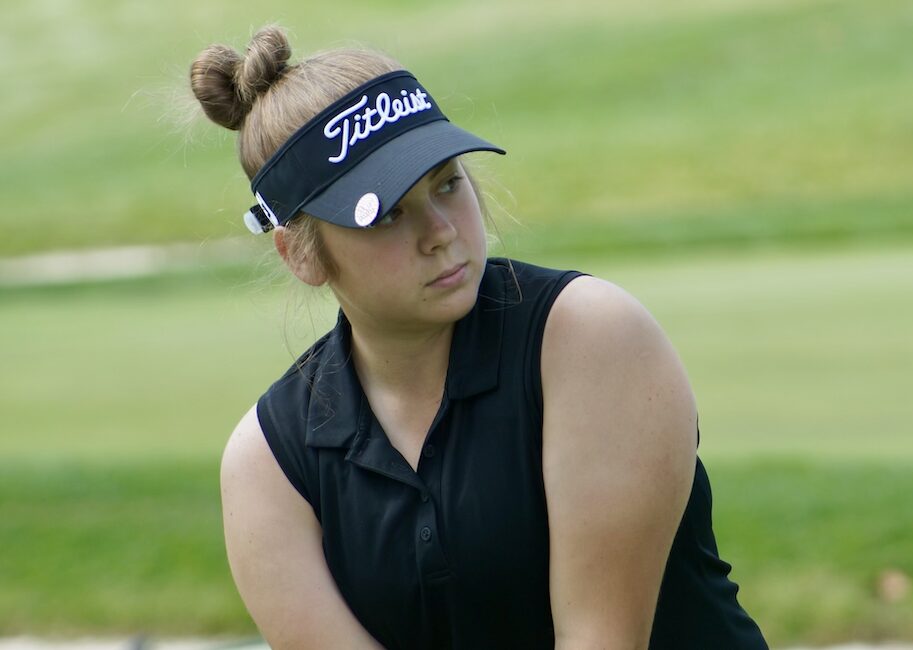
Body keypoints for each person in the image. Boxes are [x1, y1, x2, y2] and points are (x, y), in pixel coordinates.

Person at [190, 25, 768, 650]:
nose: (441, 231)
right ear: (301, 254)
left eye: (446, 182)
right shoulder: (267, 467)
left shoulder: (592, 340)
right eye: (387, 213)